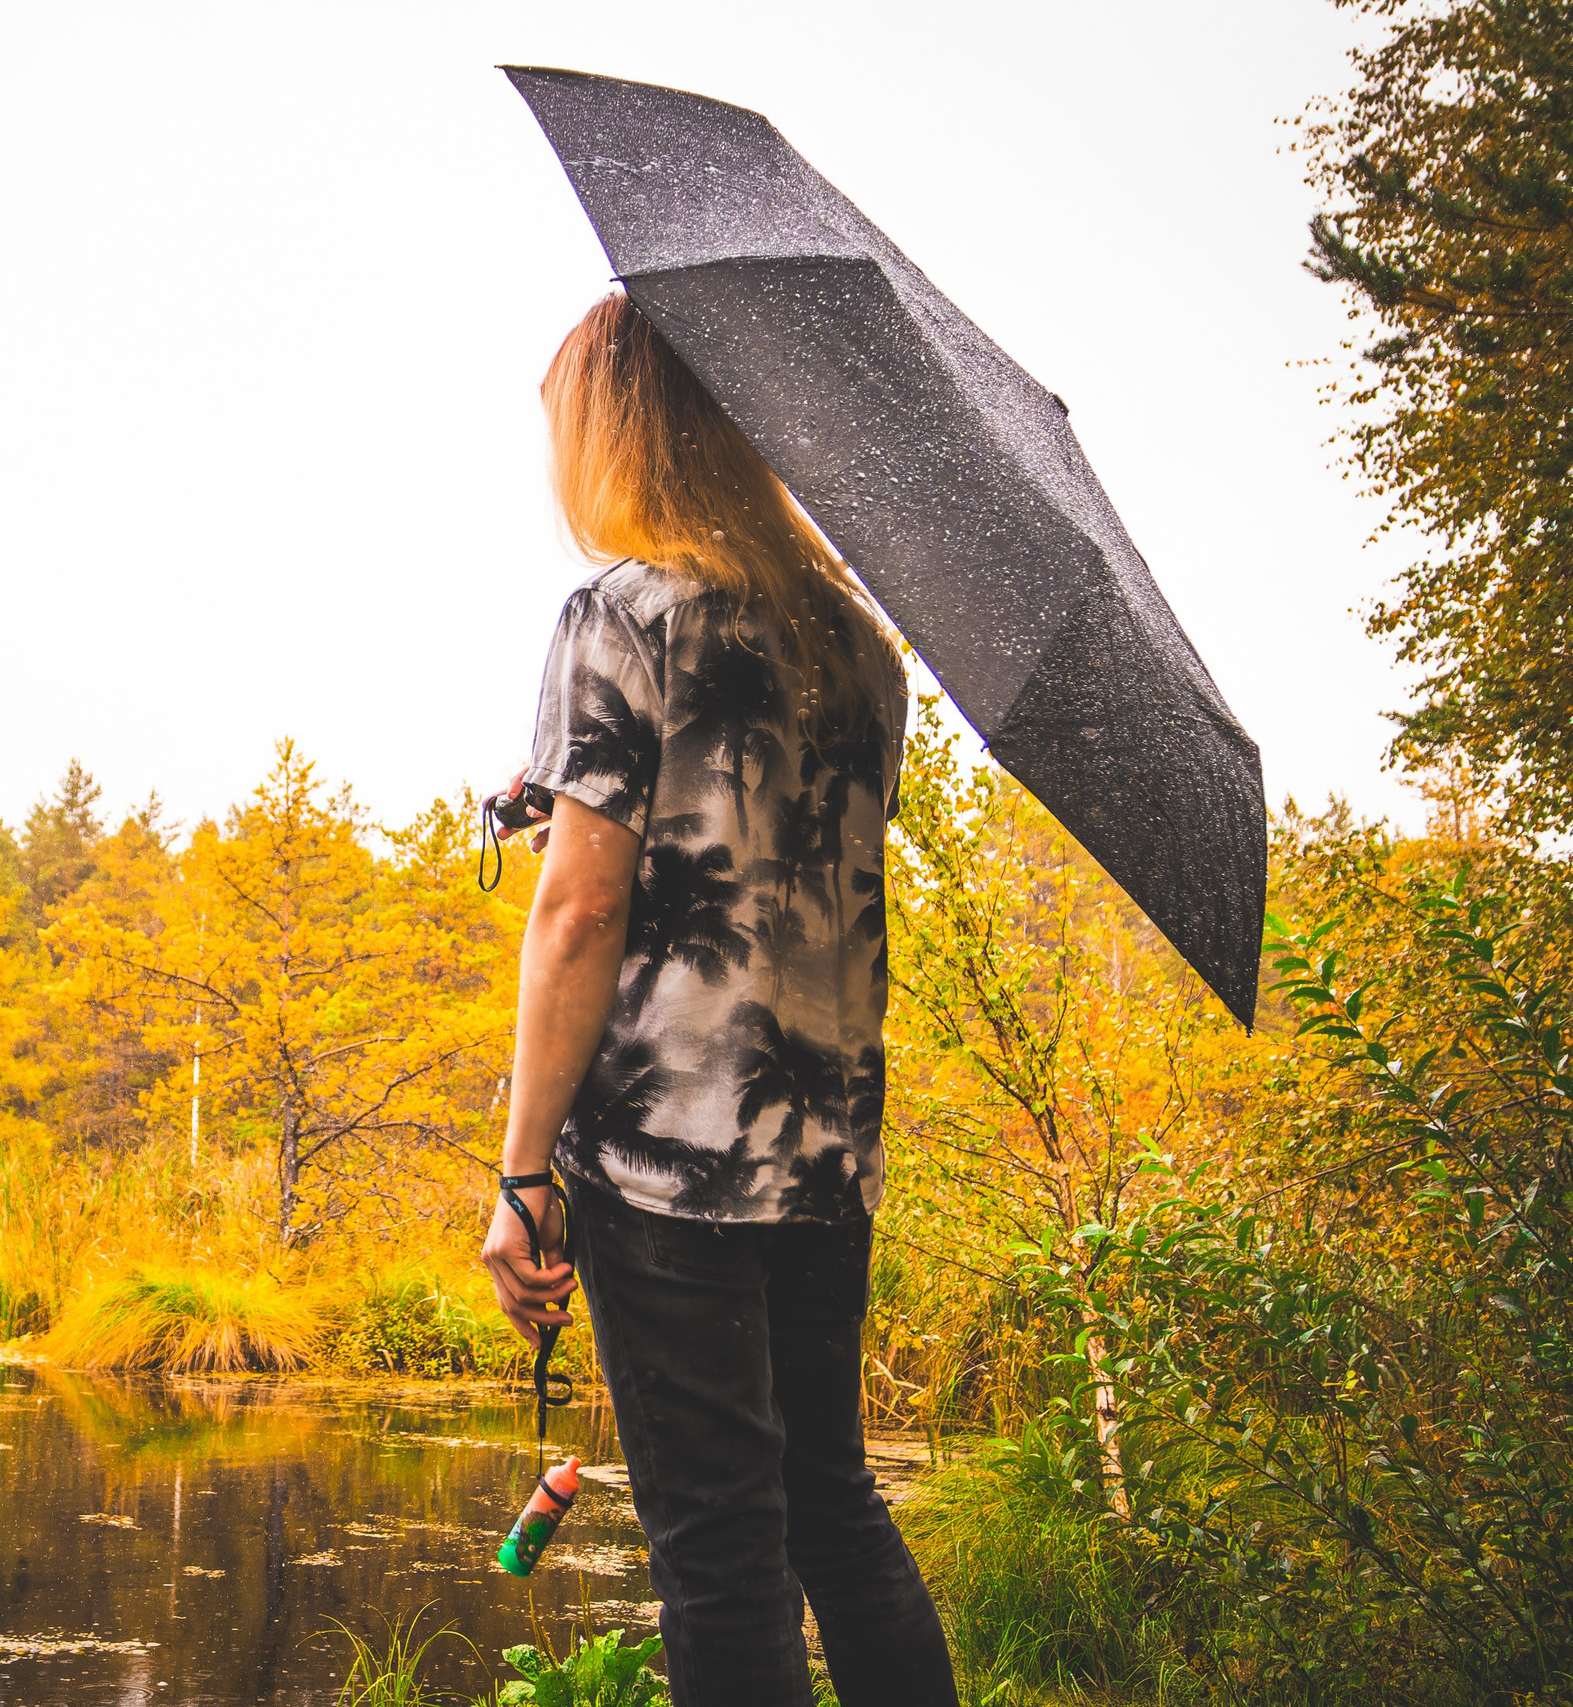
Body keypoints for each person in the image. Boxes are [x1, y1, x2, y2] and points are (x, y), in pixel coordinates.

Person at [480, 289, 959, 1707]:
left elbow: (580, 913)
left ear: (624, 435)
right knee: (832, 1506)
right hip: (824, 1156)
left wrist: (521, 1178)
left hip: (670, 1162)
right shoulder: (857, 648)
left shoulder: (620, 615)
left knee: (719, 1556)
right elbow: (760, 864)